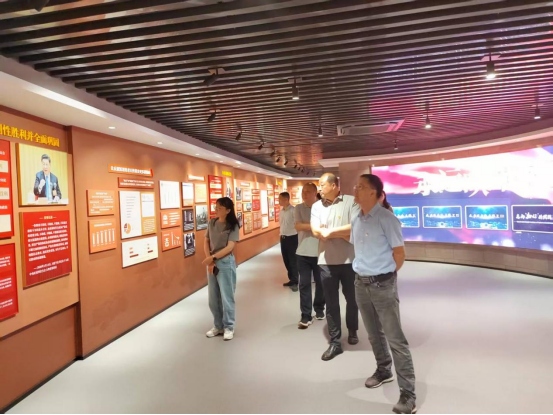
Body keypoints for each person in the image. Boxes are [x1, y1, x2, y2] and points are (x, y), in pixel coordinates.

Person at [351, 174, 416, 414]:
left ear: (373, 192)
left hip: (382, 285)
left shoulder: (387, 219)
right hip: (360, 284)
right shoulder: (356, 218)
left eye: (361, 187)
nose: (355, 190)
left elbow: (399, 254)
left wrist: (386, 277)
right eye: (356, 186)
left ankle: (408, 394)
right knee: (373, 334)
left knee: (395, 339)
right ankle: (383, 369)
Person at [311, 173, 360, 361]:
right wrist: (342, 234)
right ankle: (335, 341)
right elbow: (316, 231)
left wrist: (329, 232)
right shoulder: (317, 206)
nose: (320, 188)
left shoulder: (351, 202)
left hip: (350, 261)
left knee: (352, 299)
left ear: (333, 185)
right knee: (331, 303)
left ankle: (353, 330)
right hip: (326, 261)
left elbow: (354, 227)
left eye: (322, 184)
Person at [202, 197, 240, 341]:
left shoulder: (233, 225)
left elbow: (230, 247)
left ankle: (229, 326)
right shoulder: (212, 223)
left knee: (227, 297)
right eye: (216, 207)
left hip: (225, 263)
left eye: (220, 208)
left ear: (228, 210)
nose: (216, 210)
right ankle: (218, 325)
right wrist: (209, 259)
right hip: (212, 264)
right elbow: (206, 241)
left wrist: (213, 257)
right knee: (213, 298)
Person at [294, 183, 325, 329]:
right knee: (304, 284)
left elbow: (326, 226)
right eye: (303, 192)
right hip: (302, 252)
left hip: (320, 252)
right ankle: (305, 315)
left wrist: (306, 225)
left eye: (307, 192)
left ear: (315, 193)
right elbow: (298, 226)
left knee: (321, 283)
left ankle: (319, 308)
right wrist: (315, 226)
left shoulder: (323, 207)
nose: (304, 194)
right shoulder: (299, 208)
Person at [278, 192, 299, 291]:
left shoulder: (293, 211)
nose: (279, 201)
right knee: (286, 260)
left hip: (292, 238)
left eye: (280, 199)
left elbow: (297, 224)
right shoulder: (281, 211)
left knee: (292, 260)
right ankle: (291, 279)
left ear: (286, 199)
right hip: (283, 238)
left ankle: (295, 281)